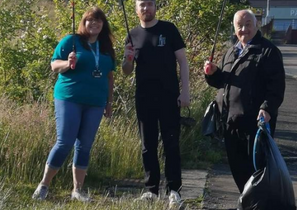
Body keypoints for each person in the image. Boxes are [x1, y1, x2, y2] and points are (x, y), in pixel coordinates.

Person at [32, 6, 115, 202]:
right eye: (89, 20)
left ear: (103, 24)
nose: (93, 23)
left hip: (95, 102)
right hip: (69, 98)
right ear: (84, 23)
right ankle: (44, 184)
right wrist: (67, 63)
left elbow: (110, 77)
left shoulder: (106, 48)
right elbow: (54, 65)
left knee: (85, 145)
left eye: (98, 20)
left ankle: (77, 190)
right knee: (65, 142)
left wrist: (109, 102)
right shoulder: (72, 40)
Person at [203, 9, 285, 194]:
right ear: (234, 30)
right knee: (238, 171)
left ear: (256, 25)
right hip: (231, 124)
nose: (244, 29)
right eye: (239, 25)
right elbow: (223, 82)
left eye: (248, 24)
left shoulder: (268, 51)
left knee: (257, 173)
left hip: (255, 125)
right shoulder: (231, 52)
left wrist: (267, 108)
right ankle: (248, 203)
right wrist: (212, 74)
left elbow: (277, 88)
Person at [122, 0, 190, 208]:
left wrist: (185, 91)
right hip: (144, 97)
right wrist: (128, 59)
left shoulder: (168, 29)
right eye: (142, 5)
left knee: (171, 144)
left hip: (169, 97)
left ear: (155, 7)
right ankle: (151, 189)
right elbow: (126, 70)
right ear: (136, 9)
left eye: (150, 4)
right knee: (147, 145)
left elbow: (183, 62)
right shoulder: (132, 35)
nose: (146, 8)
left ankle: (174, 191)